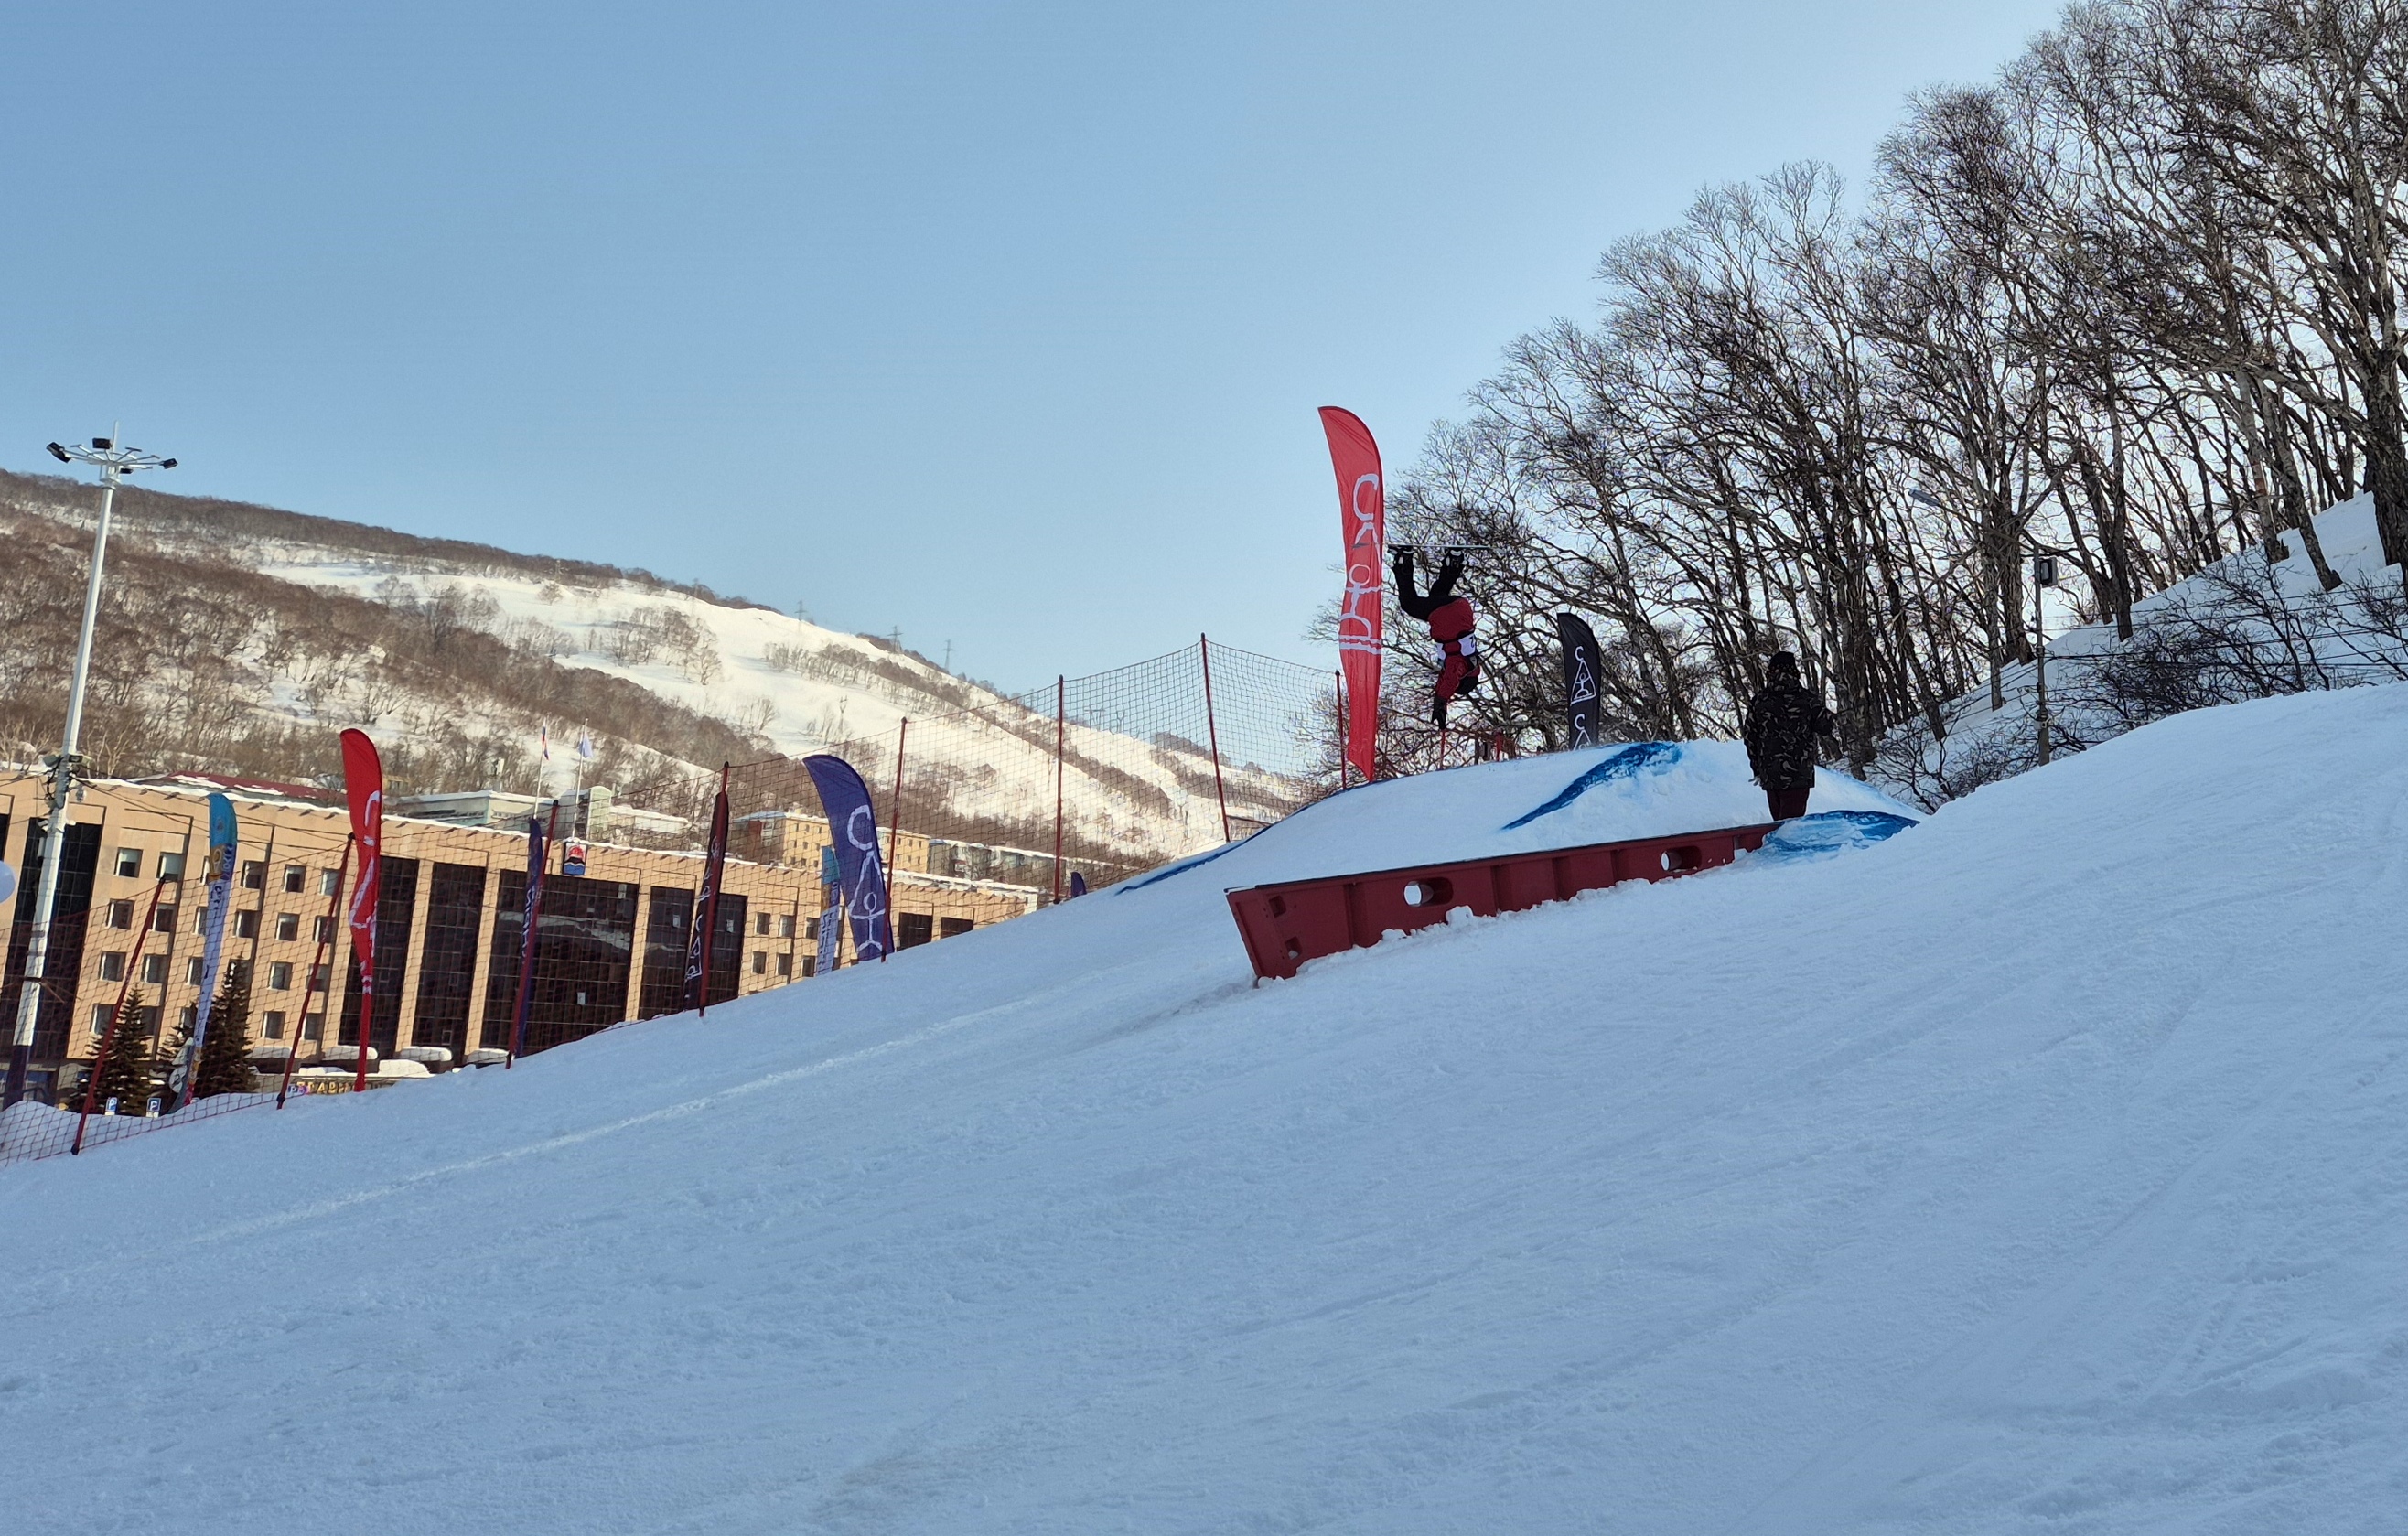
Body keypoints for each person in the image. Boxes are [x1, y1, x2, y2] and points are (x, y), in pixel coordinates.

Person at [1392, 548, 1480, 726]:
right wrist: (1440, 704)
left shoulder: (1471, 661)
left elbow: (1444, 678)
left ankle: (1453, 562)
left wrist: (1439, 695)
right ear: (1462, 679)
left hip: (1460, 608)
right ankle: (1403, 559)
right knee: (1409, 604)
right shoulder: (1461, 666)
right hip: (1448, 617)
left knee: (1437, 595)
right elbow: (1450, 679)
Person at [1741, 650, 1833, 821]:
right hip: (1798, 773)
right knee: (1791, 826)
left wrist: (1758, 770)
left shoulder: (1759, 700)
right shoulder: (1807, 698)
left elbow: (1750, 737)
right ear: (1794, 671)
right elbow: (1826, 727)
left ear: (1771, 671)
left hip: (1771, 774)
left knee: (1780, 824)